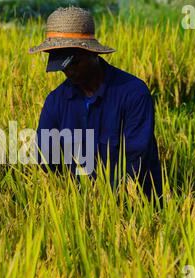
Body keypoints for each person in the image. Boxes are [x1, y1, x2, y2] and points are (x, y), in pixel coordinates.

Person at [29, 6, 163, 203]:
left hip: (136, 208)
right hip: (80, 212)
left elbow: (136, 160)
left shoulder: (133, 93)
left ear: (93, 53)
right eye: (62, 64)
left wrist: (107, 207)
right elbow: (47, 159)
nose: (69, 71)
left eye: (74, 62)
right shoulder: (56, 101)